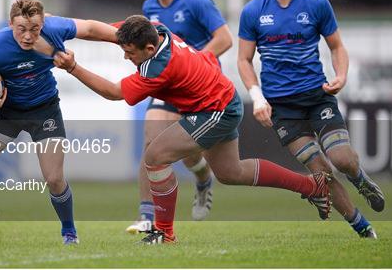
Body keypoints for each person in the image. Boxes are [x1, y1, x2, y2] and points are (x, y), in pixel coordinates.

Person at [54, 15, 331, 244]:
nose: (126, 58)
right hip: (221, 99)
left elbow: (115, 93)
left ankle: (164, 233)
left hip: (215, 110)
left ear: (148, 50)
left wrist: (73, 67)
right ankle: (310, 185)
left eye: (129, 53)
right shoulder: (155, 31)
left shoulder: (157, 67)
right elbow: (92, 28)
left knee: (155, 156)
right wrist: (51, 23)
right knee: (231, 173)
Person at [0, 0, 118, 245]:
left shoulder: (54, 30)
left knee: (54, 179)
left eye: (34, 29)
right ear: (10, 23)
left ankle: (69, 232)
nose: (27, 36)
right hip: (5, 112)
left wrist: (121, 38)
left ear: (43, 24)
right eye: (21, 29)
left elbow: (89, 28)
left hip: (44, 110)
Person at [237, 0, 384, 239]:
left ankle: (361, 179)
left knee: (342, 159)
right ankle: (362, 227)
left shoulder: (317, 3)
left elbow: (336, 46)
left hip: (317, 99)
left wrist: (340, 75)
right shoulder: (253, 10)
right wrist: (257, 97)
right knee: (322, 173)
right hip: (282, 110)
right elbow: (243, 59)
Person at [124, 0, 235, 233]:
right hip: (167, 88)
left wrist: (196, 61)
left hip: (200, 90)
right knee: (150, 143)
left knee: (189, 156)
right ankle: (147, 216)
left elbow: (224, 39)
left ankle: (202, 179)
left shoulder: (197, 1)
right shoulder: (149, 7)